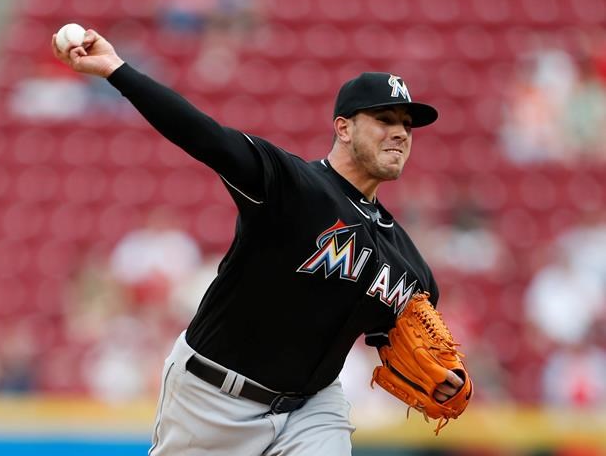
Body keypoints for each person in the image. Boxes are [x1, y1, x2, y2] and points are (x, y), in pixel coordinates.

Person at [52, 28, 467, 456]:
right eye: (384, 119)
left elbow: (395, 339)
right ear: (343, 128)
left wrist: (444, 379)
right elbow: (202, 134)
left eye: (407, 125)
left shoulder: (409, 266)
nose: (400, 132)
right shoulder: (290, 185)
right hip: (212, 398)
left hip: (312, 409)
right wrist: (116, 71)